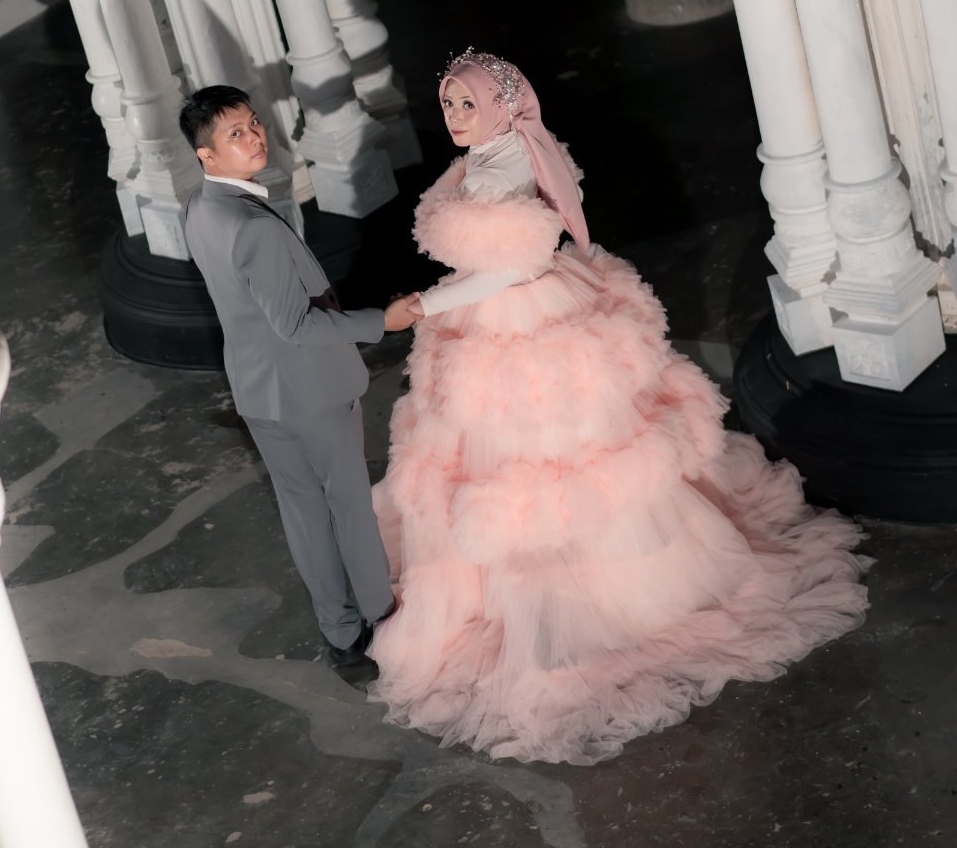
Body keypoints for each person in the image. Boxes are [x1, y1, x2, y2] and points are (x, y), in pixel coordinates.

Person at [369, 49, 869, 764]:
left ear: (501, 106)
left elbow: (512, 265)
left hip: (513, 314)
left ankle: (573, 598)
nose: (453, 116)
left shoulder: (498, 169)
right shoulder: (510, 150)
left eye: (467, 104)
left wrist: (427, 302)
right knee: (539, 451)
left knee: (537, 458)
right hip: (522, 305)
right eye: (448, 103)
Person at [181, 85, 417, 677]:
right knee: (349, 508)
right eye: (236, 133)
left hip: (258, 391)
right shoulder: (253, 226)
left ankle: (341, 637)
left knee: (304, 513)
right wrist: (381, 322)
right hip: (311, 389)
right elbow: (295, 324)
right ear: (208, 154)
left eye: (254, 123)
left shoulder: (200, 207)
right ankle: (384, 619)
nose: (256, 137)